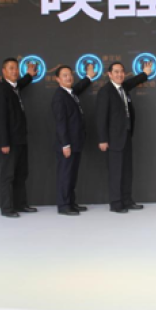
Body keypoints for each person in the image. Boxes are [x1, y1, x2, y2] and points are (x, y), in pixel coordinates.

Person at [96, 61, 152, 213]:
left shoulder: (123, 88)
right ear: (109, 74)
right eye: (116, 72)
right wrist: (102, 139)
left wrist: (145, 73)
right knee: (116, 172)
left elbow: (133, 81)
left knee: (127, 171)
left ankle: (127, 200)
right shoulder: (105, 91)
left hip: (126, 135)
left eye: (122, 71)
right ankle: (116, 203)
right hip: (112, 139)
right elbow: (101, 117)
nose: (119, 74)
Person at [0, 58, 40, 217]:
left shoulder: (14, 87)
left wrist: (29, 75)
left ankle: (20, 204)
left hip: (20, 139)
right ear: (3, 71)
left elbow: (21, 83)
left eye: (16, 68)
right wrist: (4, 143)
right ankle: (6, 208)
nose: (14, 71)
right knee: (7, 175)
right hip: (9, 142)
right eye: (11, 68)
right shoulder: (1, 91)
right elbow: (0, 119)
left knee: (21, 174)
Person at [51, 63, 96, 215]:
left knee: (72, 175)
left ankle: (71, 202)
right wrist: (65, 145)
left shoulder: (70, 92)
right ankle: (64, 206)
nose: (68, 77)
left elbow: (78, 87)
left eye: (70, 74)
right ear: (58, 79)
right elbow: (61, 123)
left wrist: (88, 77)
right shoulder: (59, 97)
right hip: (67, 144)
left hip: (76, 142)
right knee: (65, 175)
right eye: (64, 75)